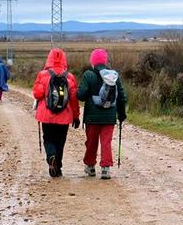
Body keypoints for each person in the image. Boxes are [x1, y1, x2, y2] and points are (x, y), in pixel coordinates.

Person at [77, 48, 127, 180]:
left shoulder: (88, 75)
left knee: (91, 142)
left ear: (92, 61)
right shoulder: (114, 76)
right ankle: (105, 169)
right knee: (106, 142)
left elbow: (81, 96)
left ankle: (90, 166)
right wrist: (121, 115)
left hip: (92, 117)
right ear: (105, 61)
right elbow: (121, 97)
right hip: (109, 116)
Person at [32, 48, 80, 177]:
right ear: (64, 59)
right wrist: (76, 116)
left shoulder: (43, 75)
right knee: (60, 140)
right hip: (64, 116)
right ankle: (58, 167)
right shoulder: (69, 77)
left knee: (48, 138)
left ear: (49, 58)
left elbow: (37, 94)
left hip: (46, 115)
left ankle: (51, 157)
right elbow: (74, 99)